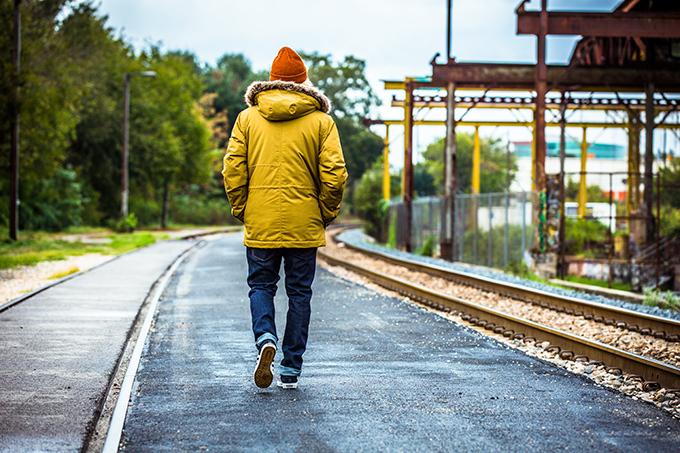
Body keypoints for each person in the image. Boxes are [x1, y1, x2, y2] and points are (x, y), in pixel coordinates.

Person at [222, 47, 347, 389]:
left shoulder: (247, 119)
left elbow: (232, 170)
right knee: (299, 293)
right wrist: (324, 212)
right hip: (304, 223)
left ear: (272, 81)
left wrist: (242, 209)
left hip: (260, 221)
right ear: (304, 82)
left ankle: (265, 338)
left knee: (261, 285)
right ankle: (291, 369)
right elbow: (335, 174)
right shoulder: (322, 122)